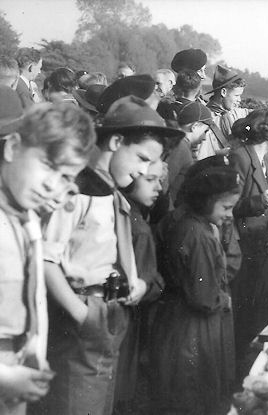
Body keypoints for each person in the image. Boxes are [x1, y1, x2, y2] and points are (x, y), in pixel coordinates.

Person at [36, 96, 183, 415]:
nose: (145, 170)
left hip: (110, 311)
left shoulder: (112, 192)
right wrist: (82, 314)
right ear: (116, 141)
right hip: (81, 313)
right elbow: (45, 259)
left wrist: (137, 284)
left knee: (98, 402)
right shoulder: (77, 191)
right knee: (76, 402)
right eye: (142, 158)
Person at [0, 102, 95, 414]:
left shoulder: (25, 218)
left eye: (67, 177)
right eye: (47, 165)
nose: (52, 186)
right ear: (13, 147)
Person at [151, 165, 240, 415]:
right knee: (192, 391)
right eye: (226, 207)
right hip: (191, 328)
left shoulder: (199, 226)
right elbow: (203, 297)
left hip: (185, 322)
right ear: (205, 202)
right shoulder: (197, 234)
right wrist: (222, 299)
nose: (230, 215)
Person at [228, 108, 268, 374]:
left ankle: (242, 362)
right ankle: (234, 366)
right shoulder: (241, 158)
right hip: (239, 245)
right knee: (241, 310)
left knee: (250, 307)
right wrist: (259, 202)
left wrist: (266, 237)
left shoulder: (263, 158)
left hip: (254, 243)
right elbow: (227, 205)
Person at [113, 160, 166, 414]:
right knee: (119, 386)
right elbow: (148, 283)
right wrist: (157, 283)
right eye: (150, 180)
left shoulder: (125, 211)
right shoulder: (138, 228)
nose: (159, 187)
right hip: (125, 321)